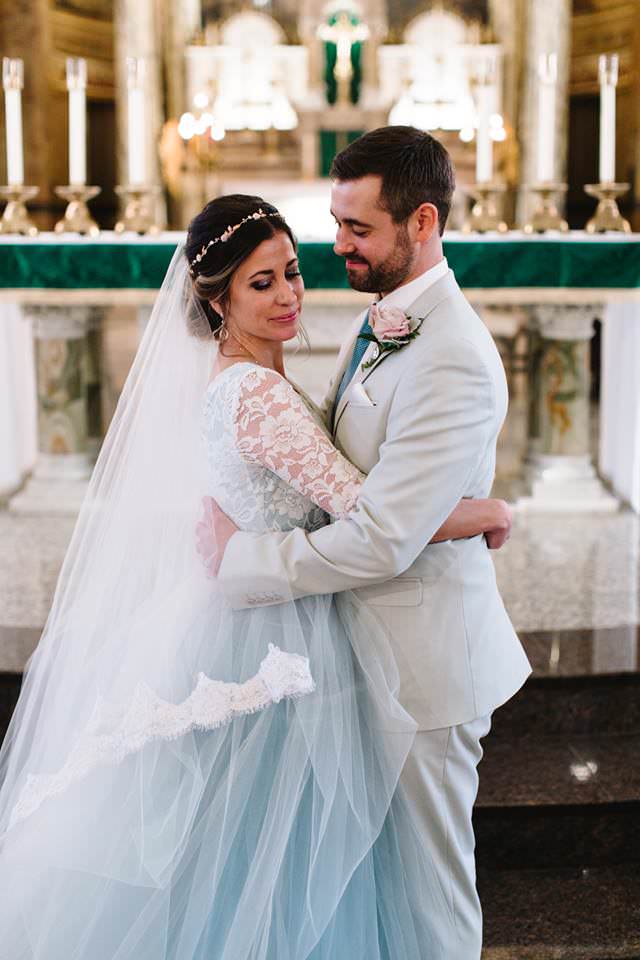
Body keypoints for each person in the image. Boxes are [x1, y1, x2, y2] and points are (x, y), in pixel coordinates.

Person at [0, 190, 512, 960]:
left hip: (264, 612)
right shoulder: (256, 393)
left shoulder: (241, 377)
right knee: (270, 863)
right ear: (217, 298)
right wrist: (488, 512)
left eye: (293, 273)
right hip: (273, 640)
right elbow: (369, 511)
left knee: (252, 862)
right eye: (261, 283)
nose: (289, 295)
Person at [201, 128, 533, 960]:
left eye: (357, 229)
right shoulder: (380, 322)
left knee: (430, 902)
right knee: (375, 899)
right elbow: (357, 482)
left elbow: (383, 535)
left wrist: (243, 560)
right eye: (337, 222)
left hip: (422, 672)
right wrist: (476, 511)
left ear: (421, 222)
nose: (337, 243)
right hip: (358, 657)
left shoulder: (450, 354)